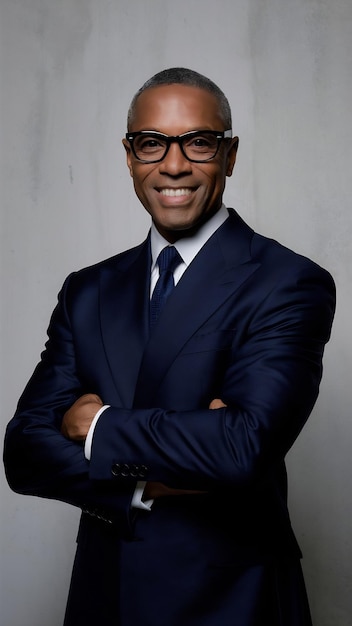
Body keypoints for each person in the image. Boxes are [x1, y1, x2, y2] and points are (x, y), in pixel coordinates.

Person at [4, 67, 335, 626]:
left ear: (229, 156)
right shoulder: (88, 291)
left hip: (231, 601)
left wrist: (99, 426)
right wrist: (142, 484)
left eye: (199, 142)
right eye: (152, 143)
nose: (174, 165)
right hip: (104, 596)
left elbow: (240, 448)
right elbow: (23, 451)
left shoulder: (287, 281)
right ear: (129, 156)